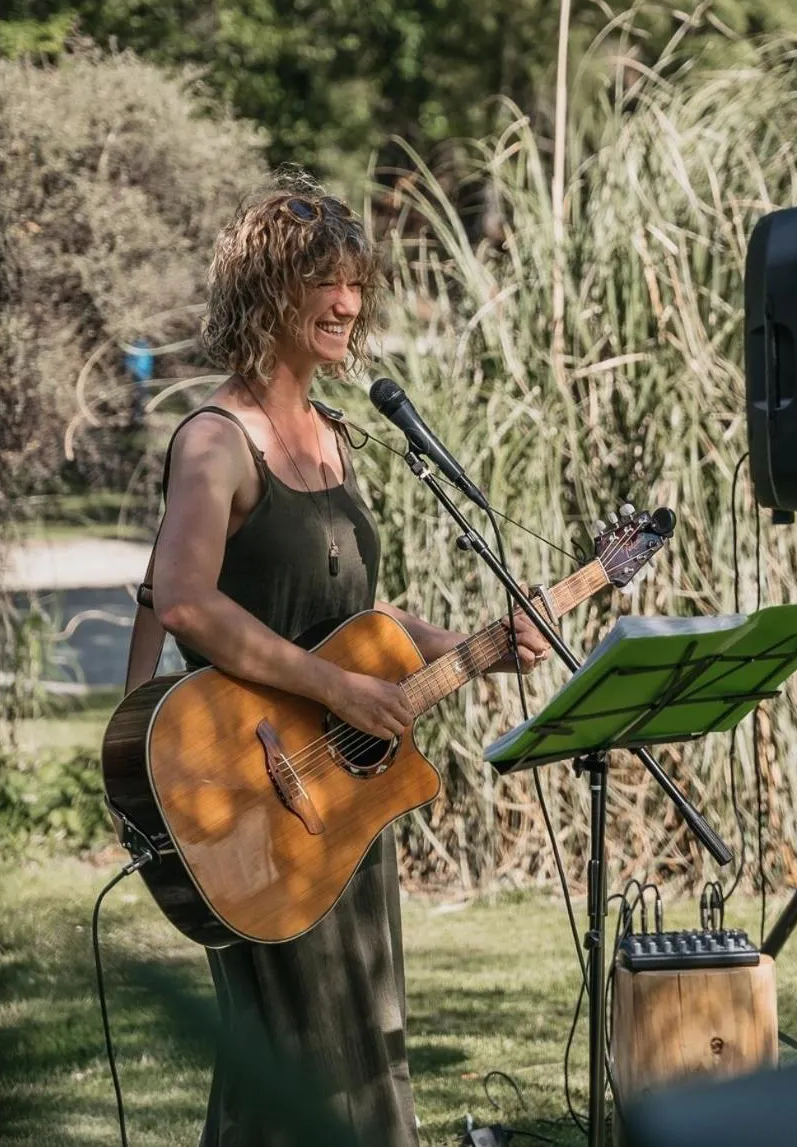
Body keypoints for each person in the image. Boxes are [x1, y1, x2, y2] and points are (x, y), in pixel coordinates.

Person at [149, 176, 551, 1147]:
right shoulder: (217, 441)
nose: (348, 304)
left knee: (366, 1041)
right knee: (297, 1058)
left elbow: (354, 621)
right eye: (325, 283)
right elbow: (185, 599)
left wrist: (479, 646)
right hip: (252, 788)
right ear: (266, 295)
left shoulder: (334, 440)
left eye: (355, 284)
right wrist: (337, 687)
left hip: (344, 790)